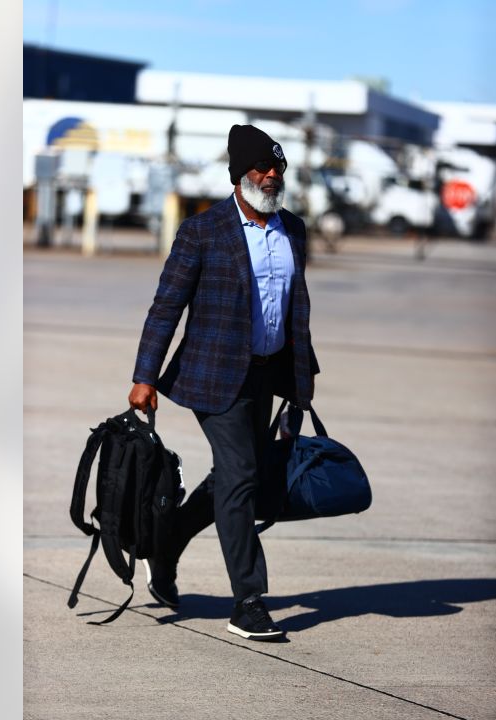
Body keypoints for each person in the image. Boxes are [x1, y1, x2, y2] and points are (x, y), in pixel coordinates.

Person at [128, 124, 319, 641]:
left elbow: (294, 311)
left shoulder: (294, 230)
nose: (272, 175)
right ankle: (248, 600)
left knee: (239, 475)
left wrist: (302, 383)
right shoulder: (203, 231)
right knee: (240, 474)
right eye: (262, 168)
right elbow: (166, 306)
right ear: (239, 176)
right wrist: (145, 376)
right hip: (213, 376)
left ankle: (164, 544)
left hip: (267, 375)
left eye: (278, 167)